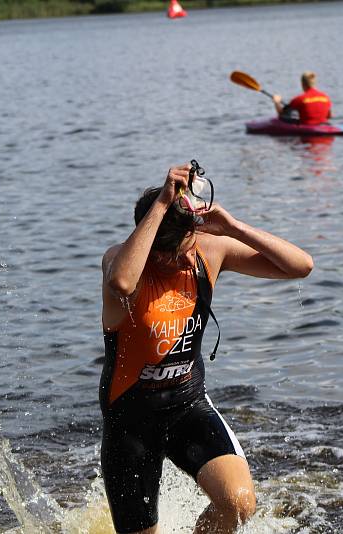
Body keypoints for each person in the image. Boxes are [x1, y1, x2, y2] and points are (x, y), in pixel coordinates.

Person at [100, 163, 313, 533]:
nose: (179, 260)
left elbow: (301, 266)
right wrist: (163, 202)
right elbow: (120, 281)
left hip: (187, 406)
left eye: (185, 246)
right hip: (130, 420)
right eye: (166, 254)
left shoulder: (207, 252)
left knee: (238, 503)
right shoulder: (121, 263)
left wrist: (233, 227)